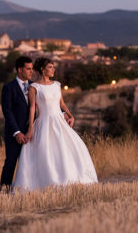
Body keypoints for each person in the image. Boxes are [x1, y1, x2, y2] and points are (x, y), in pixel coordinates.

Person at [12, 57, 98, 191]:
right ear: (42, 69)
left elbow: (62, 103)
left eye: (53, 67)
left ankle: (71, 181)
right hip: (44, 122)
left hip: (60, 122)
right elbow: (32, 109)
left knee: (68, 150)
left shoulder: (57, 85)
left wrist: (70, 115)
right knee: (46, 153)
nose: (53, 70)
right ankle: (47, 183)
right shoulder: (34, 87)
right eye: (50, 67)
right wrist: (30, 129)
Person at [0, 56, 33, 192]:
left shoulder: (34, 86)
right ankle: (4, 191)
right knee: (11, 163)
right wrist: (17, 132)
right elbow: (7, 112)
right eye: (28, 69)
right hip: (14, 133)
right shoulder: (8, 88)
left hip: (32, 133)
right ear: (20, 70)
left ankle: (28, 190)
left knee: (30, 163)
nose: (31, 72)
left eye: (32, 69)